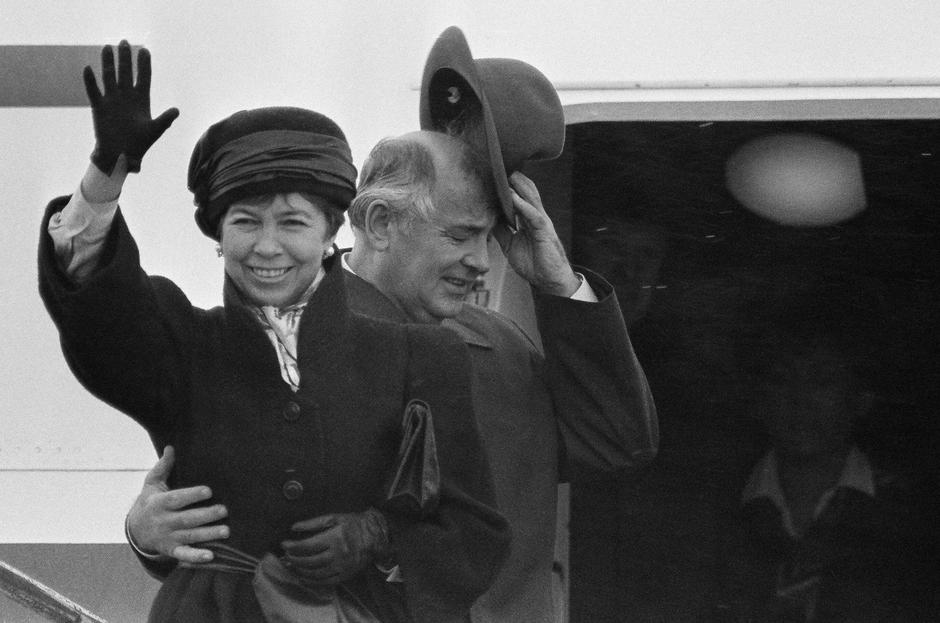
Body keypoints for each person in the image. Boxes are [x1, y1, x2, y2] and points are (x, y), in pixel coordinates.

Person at [127, 27, 659, 623]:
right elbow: (196, 525)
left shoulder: (503, 345)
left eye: (493, 236)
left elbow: (619, 443)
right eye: (460, 235)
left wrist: (559, 282)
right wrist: (144, 533)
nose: (483, 261)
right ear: (379, 224)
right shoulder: (263, 345)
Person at [38, 41, 509, 623]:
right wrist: (104, 177)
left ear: (330, 230)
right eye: (244, 222)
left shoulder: (422, 355)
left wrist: (376, 535)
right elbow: (95, 307)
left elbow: (478, 534)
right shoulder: (183, 345)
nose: (267, 247)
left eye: (292, 222)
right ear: (218, 236)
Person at [720, 312, 939, 622]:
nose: (800, 399)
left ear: (862, 398)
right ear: (758, 398)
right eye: (782, 379)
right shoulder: (715, 506)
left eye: (821, 381)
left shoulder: (913, 516)